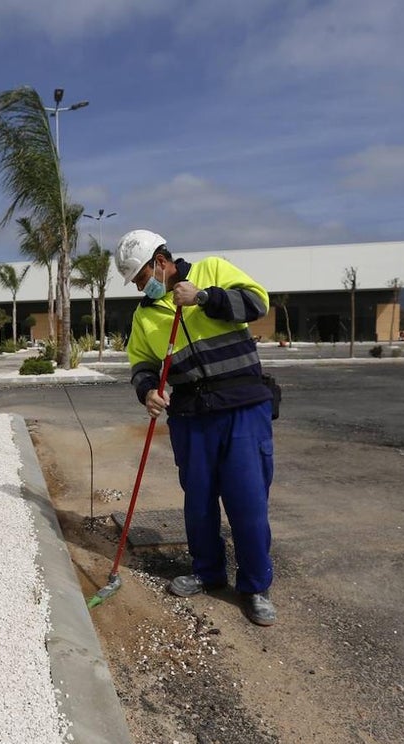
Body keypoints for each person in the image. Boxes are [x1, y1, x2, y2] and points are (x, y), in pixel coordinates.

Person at [115, 229, 277, 627]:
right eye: (137, 282)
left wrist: (204, 297)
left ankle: (255, 586)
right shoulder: (145, 315)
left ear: (160, 261)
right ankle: (208, 572)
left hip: (241, 406)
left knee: (248, 501)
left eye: (141, 277)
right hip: (191, 416)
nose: (142, 287)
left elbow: (258, 303)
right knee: (199, 502)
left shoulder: (213, 270)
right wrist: (148, 391)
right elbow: (141, 364)